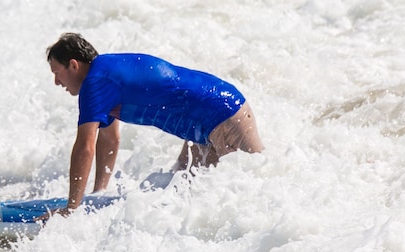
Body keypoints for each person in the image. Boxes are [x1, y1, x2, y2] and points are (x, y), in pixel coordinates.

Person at [47, 32, 263, 214]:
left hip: (225, 115)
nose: (56, 82)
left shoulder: (95, 82)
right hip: (204, 130)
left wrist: (71, 210)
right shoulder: (105, 76)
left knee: (252, 197)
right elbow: (109, 139)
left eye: (57, 73)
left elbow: (84, 148)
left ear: (73, 65)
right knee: (181, 195)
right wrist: (96, 195)